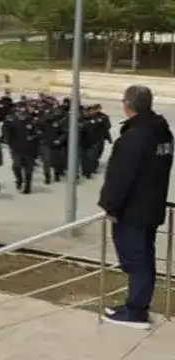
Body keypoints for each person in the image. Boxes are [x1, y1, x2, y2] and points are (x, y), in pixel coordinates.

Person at [98, 85, 173, 330]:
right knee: (142, 259)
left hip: (133, 211)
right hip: (150, 207)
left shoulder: (135, 137)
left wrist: (110, 206)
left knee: (137, 261)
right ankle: (134, 305)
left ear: (127, 105)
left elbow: (121, 176)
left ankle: (136, 312)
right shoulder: (162, 132)